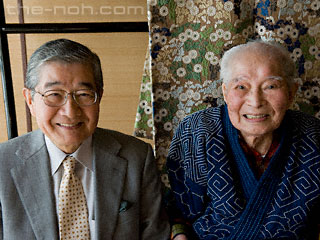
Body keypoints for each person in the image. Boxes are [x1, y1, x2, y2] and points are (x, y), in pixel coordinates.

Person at [0, 38, 170, 240]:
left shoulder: (136, 157)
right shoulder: (3, 164)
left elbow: (154, 234)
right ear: (30, 101)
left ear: (99, 96)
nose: (70, 111)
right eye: (54, 94)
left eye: (83, 94)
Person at [166, 40, 320, 240]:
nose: (255, 101)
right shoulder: (198, 131)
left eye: (271, 86)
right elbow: (180, 212)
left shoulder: (313, 137)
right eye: (241, 86)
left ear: (292, 92)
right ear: (225, 92)